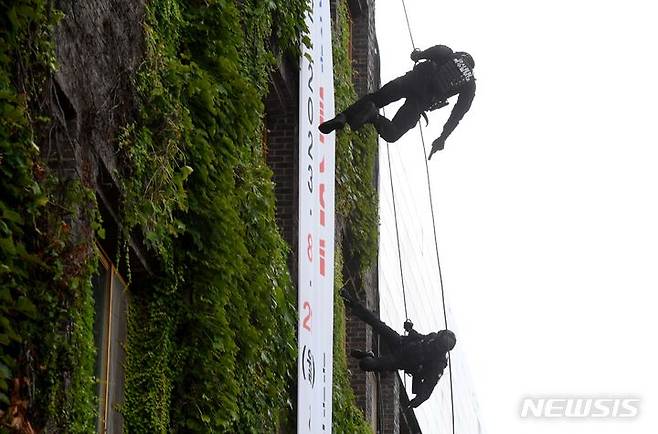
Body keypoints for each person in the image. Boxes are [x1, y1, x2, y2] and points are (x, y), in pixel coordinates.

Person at [319, 45, 476, 159]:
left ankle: (342, 117)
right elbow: (457, 115)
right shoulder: (469, 85)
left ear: (461, 55)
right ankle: (374, 116)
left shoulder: (448, 52)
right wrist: (442, 138)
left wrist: (417, 55)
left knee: (376, 98)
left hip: (410, 81)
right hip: (421, 102)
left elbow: (418, 56)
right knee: (392, 133)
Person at [341, 289, 455, 408]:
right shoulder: (433, 337)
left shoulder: (439, 364)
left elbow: (429, 387)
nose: (436, 344)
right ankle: (351, 302)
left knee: (366, 364)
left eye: (439, 345)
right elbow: (420, 337)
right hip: (401, 342)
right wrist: (410, 329)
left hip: (399, 361)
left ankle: (370, 356)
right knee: (377, 324)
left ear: (443, 349)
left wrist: (417, 401)